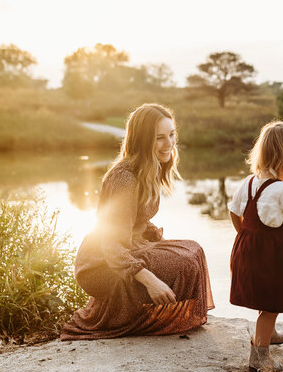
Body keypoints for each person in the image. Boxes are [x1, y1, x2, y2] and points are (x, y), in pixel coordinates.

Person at [61, 104, 214, 340]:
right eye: (159, 138)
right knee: (185, 263)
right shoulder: (125, 178)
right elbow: (111, 243)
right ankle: (141, 316)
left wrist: (162, 243)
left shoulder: (148, 170)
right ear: (142, 141)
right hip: (100, 264)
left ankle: (164, 313)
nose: (169, 144)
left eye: (171, 135)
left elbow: (137, 220)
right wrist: (151, 280)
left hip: (128, 247)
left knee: (192, 251)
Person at [228, 118, 283, 372]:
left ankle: (269, 333)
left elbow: (234, 212)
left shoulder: (247, 182)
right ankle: (259, 356)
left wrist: (246, 236)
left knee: (265, 297)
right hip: (274, 256)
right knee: (271, 303)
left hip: (248, 249)